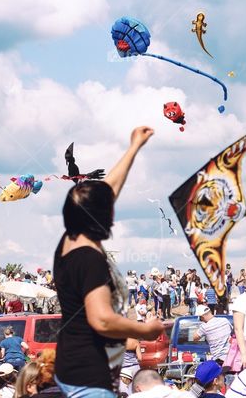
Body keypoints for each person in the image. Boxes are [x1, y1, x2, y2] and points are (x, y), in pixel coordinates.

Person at [52, 127, 165, 398]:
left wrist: (134, 147)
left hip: (71, 366)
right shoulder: (90, 259)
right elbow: (101, 320)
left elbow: (107, 191)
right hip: (90, 377)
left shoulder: (70, 238)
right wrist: (145, 330)